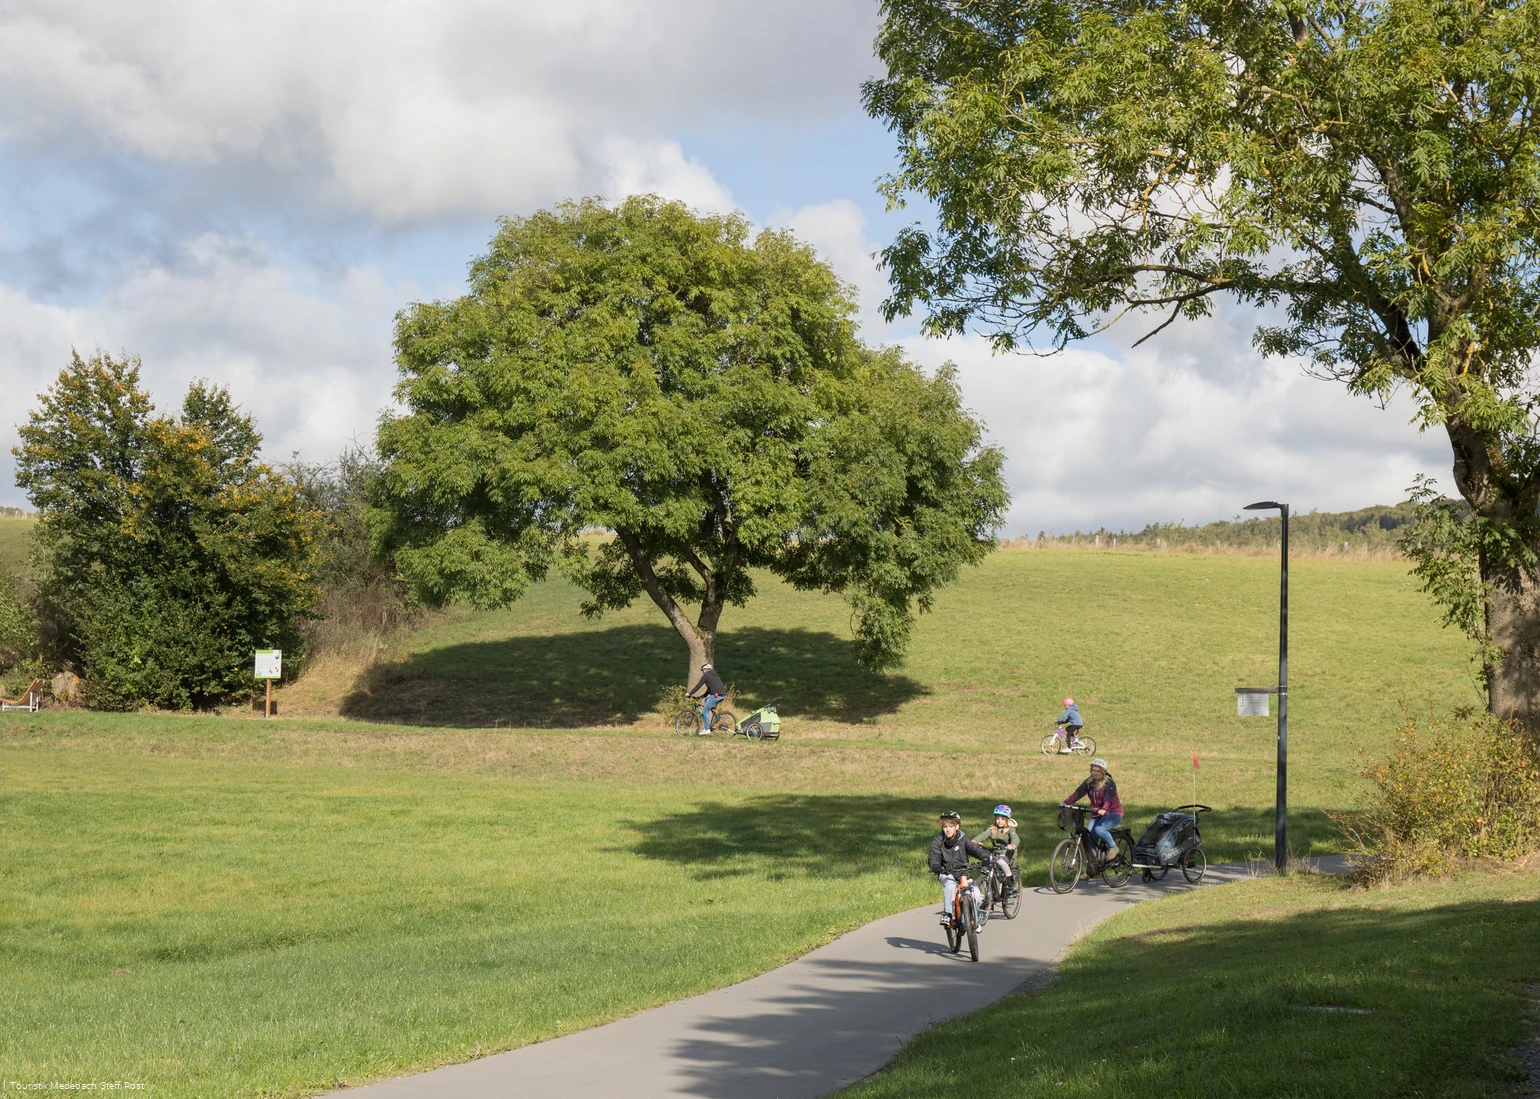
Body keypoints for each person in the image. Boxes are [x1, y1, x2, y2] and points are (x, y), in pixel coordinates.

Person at [927, 811, 989, 926]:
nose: (948, 829)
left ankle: (973, 917)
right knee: (949, 885)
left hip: (963, 872)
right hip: (946, 872)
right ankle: (948, 914)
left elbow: (973, 848)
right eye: (945, 827)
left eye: (951, 826)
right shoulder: (938, 841)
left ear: (957, 827)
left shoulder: (963, 838)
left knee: (976, 895)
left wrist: (984, 856)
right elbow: (933, 855)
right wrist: (935, 866)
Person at [1062, 758, 1123, 861]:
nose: (1095, 773)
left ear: (1103, 772)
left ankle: (1113, 847)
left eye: (1098, 771)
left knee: (1099, 829)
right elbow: (1077, 794)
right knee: (1089, 839)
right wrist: (1066, 803)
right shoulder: (1089, 782)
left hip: (1112, 813)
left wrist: (1104, 809)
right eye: (1093, 770)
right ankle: (1091, 868)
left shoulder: (1109, 782)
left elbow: (1108, 798)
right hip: (1096, 814)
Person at [978, 805, 1020, 897]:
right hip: (996, 853)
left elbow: (1015, 838)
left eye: (1002, 819)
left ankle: (1009, 881)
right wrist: (974, 841)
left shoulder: (1010, 829)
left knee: (1000, 861)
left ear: (1007, 820)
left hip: (1008, 854)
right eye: (997, 818)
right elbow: (983, 835)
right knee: (986, 864)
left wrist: (1012, 845)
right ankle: (987, 893)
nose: (999, 821)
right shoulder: (993, 828)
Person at [687, 662, 726, 736]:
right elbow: (710, 688)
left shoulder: (706, 675)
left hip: (715, 695)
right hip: (721, 695)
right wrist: (703, 696)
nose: (702, 672)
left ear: (706, 670)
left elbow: (698, 686)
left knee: (705, 711)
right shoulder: (715, 675)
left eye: (703, 670)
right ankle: (716, 716)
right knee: (706, 700)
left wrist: (690, 694)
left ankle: (707, 729)